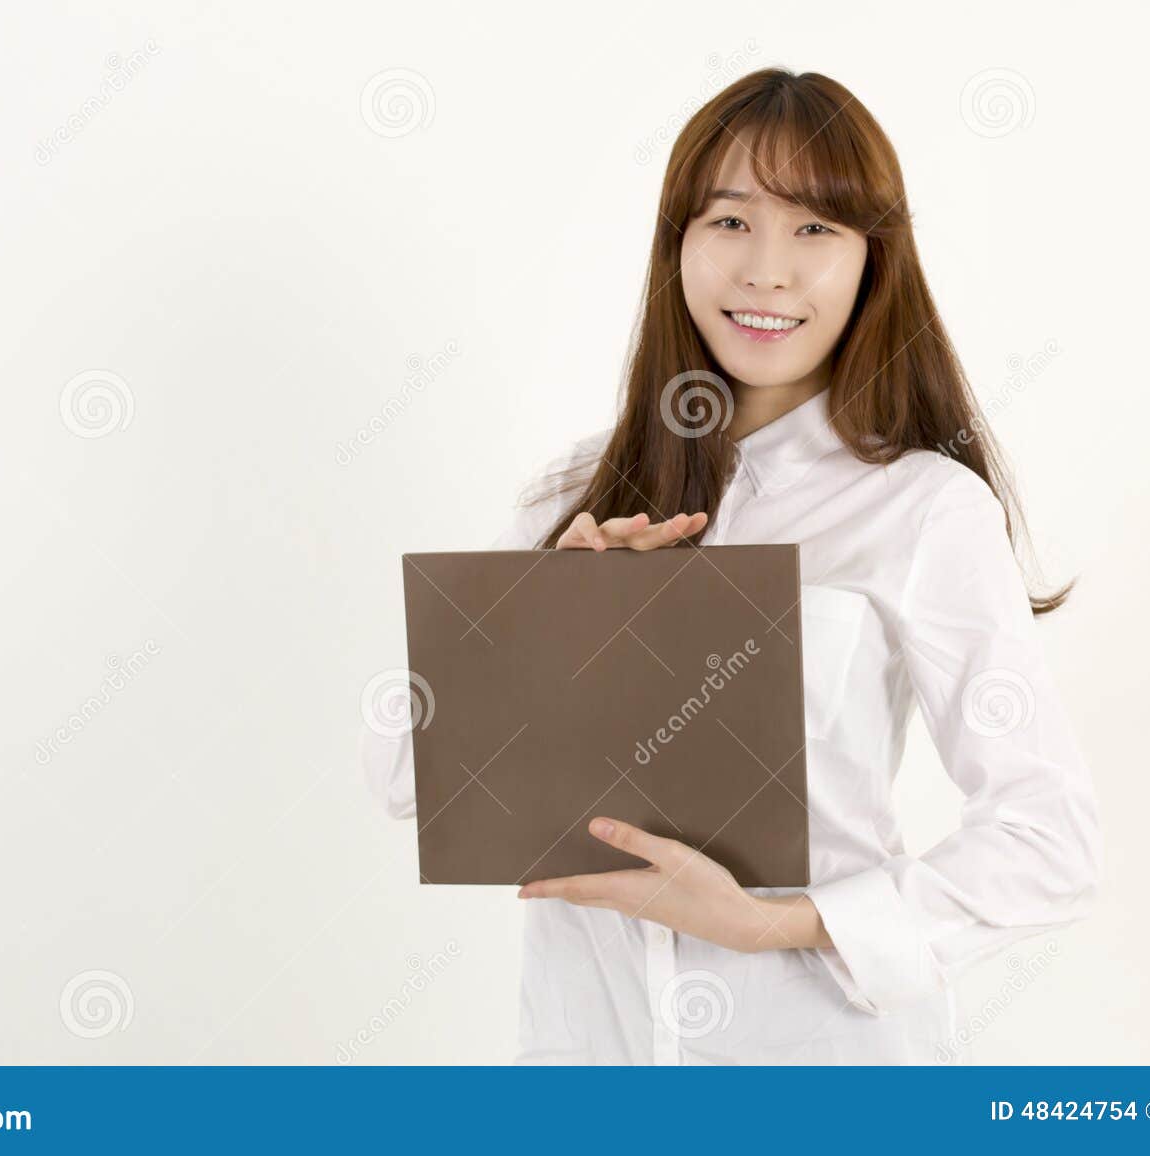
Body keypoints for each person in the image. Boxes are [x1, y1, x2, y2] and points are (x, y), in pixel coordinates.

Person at [361, 67, 1101, 1064]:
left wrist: (773, 922)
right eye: (729, 222)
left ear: (873, 262)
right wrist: (543, 615)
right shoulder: (571, 495)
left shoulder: (921, 508)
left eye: (813, 230)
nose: (766, 272)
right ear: (677, 243)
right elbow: (408, 779)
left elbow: (1045, 840)